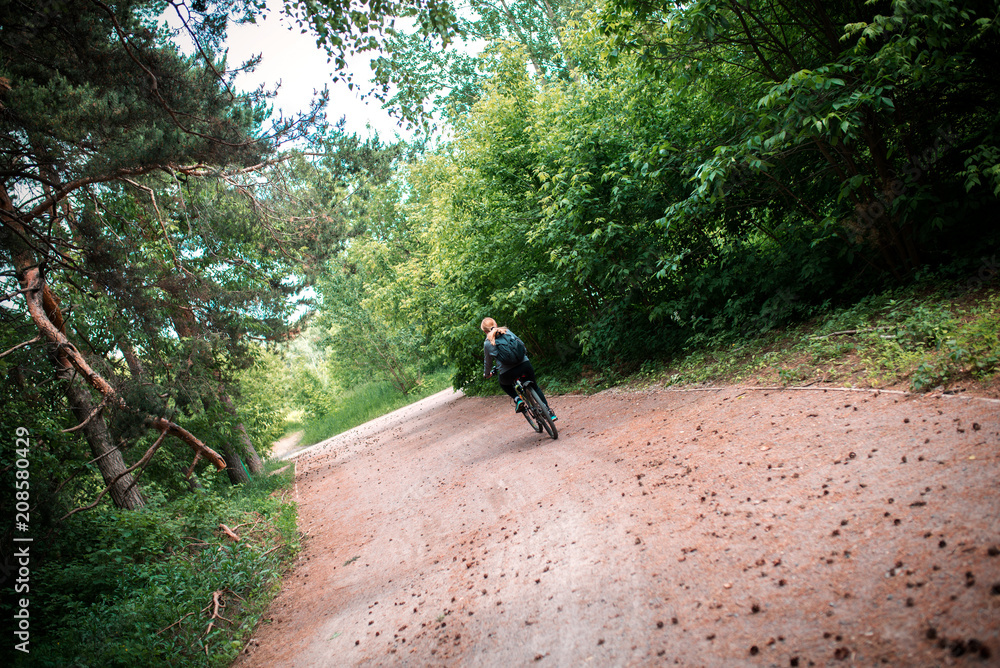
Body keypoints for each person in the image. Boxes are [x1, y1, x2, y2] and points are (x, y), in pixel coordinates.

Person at [481, 317, 556, 420]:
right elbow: (521, 344)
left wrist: (487, 374)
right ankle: (549, 412)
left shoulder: (487, 343)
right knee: (535, 387)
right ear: (496, 324)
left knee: (503, 383)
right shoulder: (507, 332)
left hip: (508, 373)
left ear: (484, 331)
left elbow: (488, 362)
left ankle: (517, 399)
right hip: (525, 365)